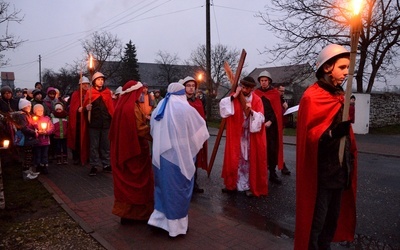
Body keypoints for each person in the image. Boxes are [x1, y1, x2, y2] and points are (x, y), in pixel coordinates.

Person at [295, 44, 358, 250]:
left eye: (348, 67)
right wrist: (332, 133)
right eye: (342, 67)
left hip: (340, 170)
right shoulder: (312, 97)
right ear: (327, 68)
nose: (347, 72)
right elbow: (310, 137)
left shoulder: (340, 95)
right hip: (321, 173)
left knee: (332, 220)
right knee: (317, 222)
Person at [148, 82, 209, 237]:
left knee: (162, 188)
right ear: (182, 94)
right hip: (178, 157)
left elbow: (153, 130)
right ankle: (176, 227)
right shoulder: (186, 109)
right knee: (177, 190)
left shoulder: (159, 108)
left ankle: (159, 221)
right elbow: (200, 129)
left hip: (161, 157)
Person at [109, 80, 154, 225]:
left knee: (126, 184)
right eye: (140, 92)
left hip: (124, 150)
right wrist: (155, 133)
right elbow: (140, 129)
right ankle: (137, 215)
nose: (142, 94)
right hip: (135, 151)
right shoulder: (132, 108)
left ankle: (126, 214)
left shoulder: (123, 107)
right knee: (138, 183)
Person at [219, 76, 268, 197]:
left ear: (252, 88)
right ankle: (232, 184)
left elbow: (261, 118)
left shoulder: (256, 100)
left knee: (248, 160)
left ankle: (248, 185)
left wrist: (251, 112)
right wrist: (234, 97)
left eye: (248, 88)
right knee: (236, 159)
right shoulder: (235, 96)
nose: (245, 90)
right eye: (243, 87)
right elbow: (224, 108)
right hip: (237, 135)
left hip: (250, 136)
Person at [254, 71, 285, 185]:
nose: (263, 82)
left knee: (272, 149)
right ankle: (260, 174)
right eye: (262, 80)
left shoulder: (275, 93)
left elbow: (276, 111)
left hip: (271, 127)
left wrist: (270, 121)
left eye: (265, 80)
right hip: (259, 125)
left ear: (269, 81)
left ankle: (272, 172)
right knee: (260, 149)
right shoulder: (256, 93)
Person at [82, 72, 114, 176]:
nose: (101, 81)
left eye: (102, 79)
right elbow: (85, 107)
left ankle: (106, 164)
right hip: (94, 124)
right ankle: (94, 165)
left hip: (105, 124)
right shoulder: (90, 93)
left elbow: (110, 108)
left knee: (106, 145)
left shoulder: (107, 92)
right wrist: (87, 108)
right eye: (98, 79)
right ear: (94, 81)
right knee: (94, 146)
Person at [181, 76, 208, 193]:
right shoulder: (180, 101)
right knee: (184, 161)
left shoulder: (198, 102)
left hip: (195, 136)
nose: (191, 88)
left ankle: (194, 184)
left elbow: (201, 118)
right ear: (184, 87)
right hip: (183, 136)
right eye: (188, 86)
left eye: (193, 86)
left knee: (194, 161)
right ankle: (184, 185)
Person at [67, 76, 90, 165]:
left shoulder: (90, 93)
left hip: (87, 120)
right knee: (77, 139)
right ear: (80, 85)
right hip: (78, 121)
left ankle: (86, 156)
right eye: (83, 84)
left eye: (87, 84)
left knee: (86, 139)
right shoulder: (75, 94)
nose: (85, 86)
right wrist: (78, 109)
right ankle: (76, 157)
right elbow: (73, 108)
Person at [16, 99, 39, 180]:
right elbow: (24, 128)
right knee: (27, 156)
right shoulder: (22, 116)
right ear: (23, 107)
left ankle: (29, 170)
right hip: (26, 138)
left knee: (29, 155)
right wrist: (33, 132)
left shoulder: (27, 114)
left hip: (29, 138)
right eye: (28, 106)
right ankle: (26, 173)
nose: (30, 107)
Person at [32, 104, 54, 174]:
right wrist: (37, 132)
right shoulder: (33, 119)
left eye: (41, 110)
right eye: (38, 110)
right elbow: (32, 128)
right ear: (35, 111)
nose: (40, 112)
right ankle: (38, 166)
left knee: (44, 154)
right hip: (37, 141)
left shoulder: (47, 119)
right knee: (38, 154)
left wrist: (46, 132)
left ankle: (44, 166)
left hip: (45, 141)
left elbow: (52, 128)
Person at [274, 83, 291, 175]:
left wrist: (286, 109)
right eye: (281, 91)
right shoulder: (275, 98)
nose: (283, 93)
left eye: (284, 91)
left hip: (281, 126)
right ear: (276, 89)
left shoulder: (281, 99)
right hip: (274, 126)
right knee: (276, 147)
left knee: (279, 147)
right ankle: (281, 166)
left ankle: (282, 165)